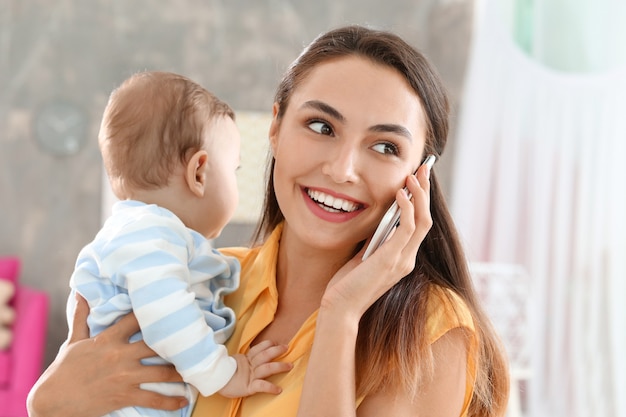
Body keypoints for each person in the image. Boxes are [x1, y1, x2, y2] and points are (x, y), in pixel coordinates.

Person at [28, 26, 510, 417]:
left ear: (419, 176)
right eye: (321, 127)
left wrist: (341, 316)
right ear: (275, 127)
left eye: (385, 147)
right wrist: (48, 404)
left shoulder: (430, 333)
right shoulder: (203, 287)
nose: (342, 169)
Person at [60, 71, 291, 417]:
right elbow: (164, 313)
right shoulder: (150, 236)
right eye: (234, 170)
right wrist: (223, 374)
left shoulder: (139, 234)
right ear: (199, 172)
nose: (237, 183)